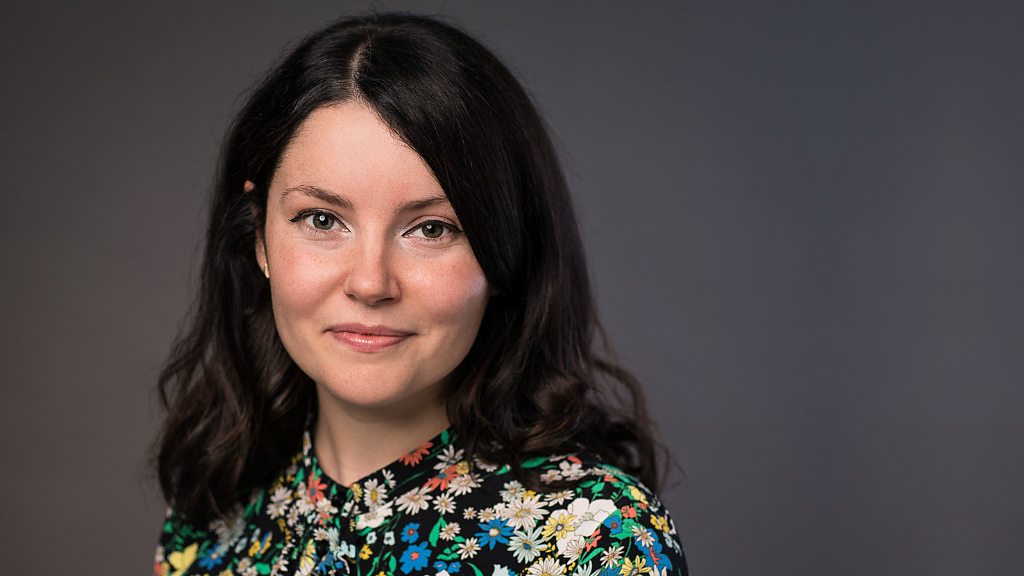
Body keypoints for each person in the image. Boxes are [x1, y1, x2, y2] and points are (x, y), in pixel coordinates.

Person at [152, 12, 688, 576]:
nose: (370, 283)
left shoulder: (595, 544)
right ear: (258, 236)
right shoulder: (211, 514)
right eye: (321, 219)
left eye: (431, 229)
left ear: (504, 251)